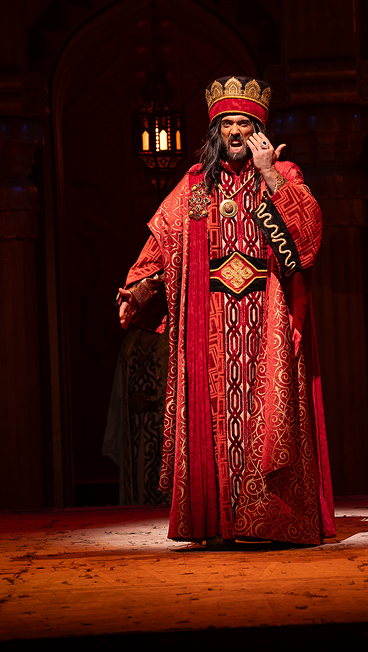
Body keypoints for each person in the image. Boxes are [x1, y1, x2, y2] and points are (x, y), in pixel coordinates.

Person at [118, 75, 335, 545]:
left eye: (244, 123)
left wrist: (270, 173)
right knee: (215, 417)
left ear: (258, 130)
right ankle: (217, 519)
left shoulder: (284, 175)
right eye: (227, 124)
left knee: (266, 421)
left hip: (267, 317)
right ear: (217, 132)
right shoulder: (197, 185)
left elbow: (309, 238)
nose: (235, 132)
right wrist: (141, 285)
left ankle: (271, 521)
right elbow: (162, 241)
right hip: (212, 319)